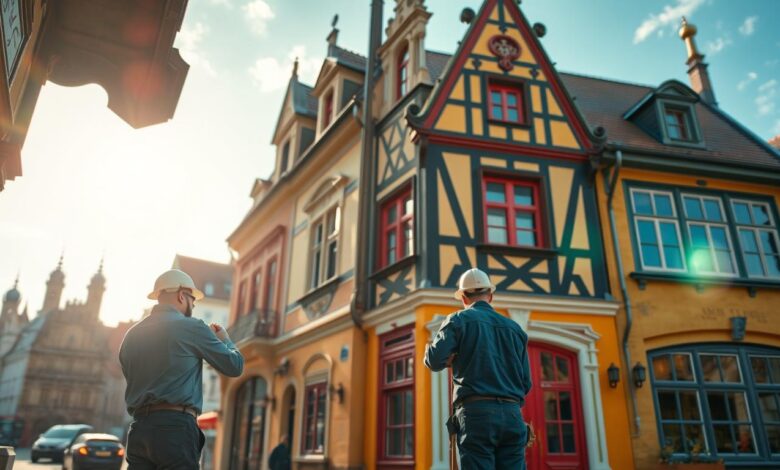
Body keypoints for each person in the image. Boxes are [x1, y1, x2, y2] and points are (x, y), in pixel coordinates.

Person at [120, 269, 244, 469]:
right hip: (175, 428)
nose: (194, 304)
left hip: (139, 429)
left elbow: (131, 376)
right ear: (181, 295)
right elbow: (234, 366)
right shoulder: (192, 327)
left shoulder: (130, 336)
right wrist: (226, 341)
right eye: (192, 298)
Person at [424, 268, 533, 469]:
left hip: (476, 416)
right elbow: (526, 383)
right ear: (490, 296)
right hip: (512, 415)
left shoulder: (457, 320)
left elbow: (434, 360)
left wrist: (448, 354)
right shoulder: (515, 329)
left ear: (464, 298)